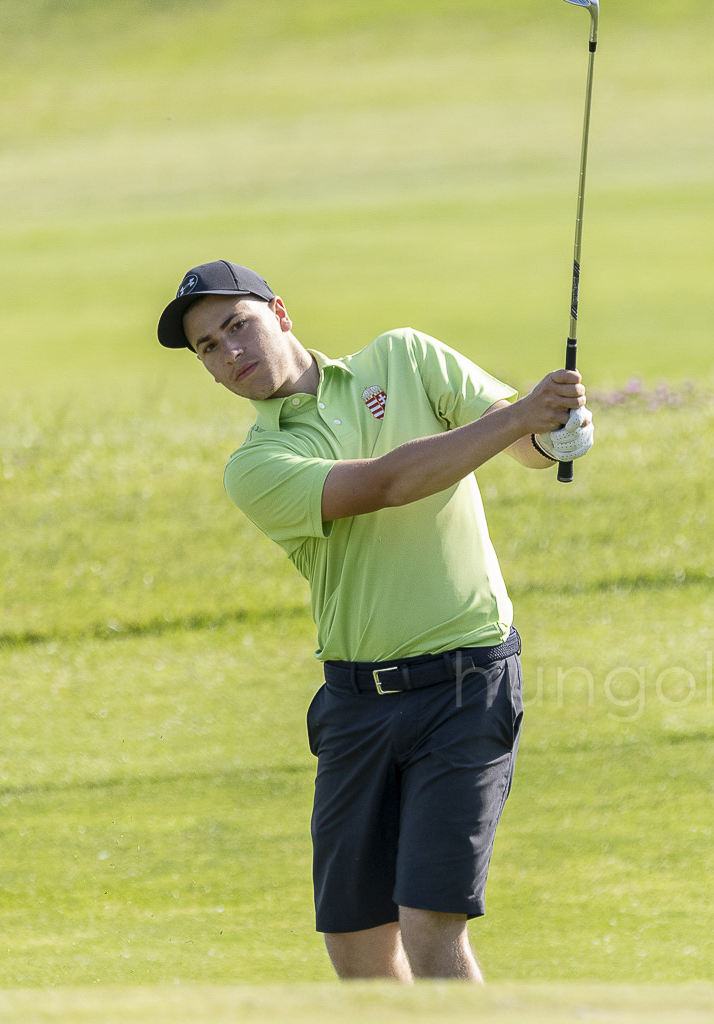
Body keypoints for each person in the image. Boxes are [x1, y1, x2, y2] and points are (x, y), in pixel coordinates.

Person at [156, 259, 592, 982]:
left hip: (466, 684)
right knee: (357, 948)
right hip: (356, 706)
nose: (230, 351)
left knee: (429, 924)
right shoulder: (258, 463)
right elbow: (387, 484)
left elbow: (521, 444)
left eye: (238, 325)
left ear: (280, 313)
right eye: (209, 346)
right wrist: (524, 416)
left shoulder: (404, 358)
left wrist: (554, 434)